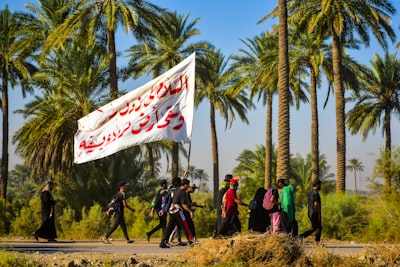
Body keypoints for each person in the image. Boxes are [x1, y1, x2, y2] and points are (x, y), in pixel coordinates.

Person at [160, 178, 194, 248]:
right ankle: (191, 241)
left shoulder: (177, 189)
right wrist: (190, 211)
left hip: (172, 211)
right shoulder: (182, 192)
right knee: (185, 226)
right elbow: (184, 204)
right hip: (178, 211)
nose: (188, 187)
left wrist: (185, 175)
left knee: (169, 227)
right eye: (188, 185)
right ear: (185, 185)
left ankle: (162, 242)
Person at [300, 180, 322, 244]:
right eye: (320, 185)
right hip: (315, 213)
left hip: (310, 213)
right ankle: (317, 241)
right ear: (317, 185)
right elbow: (316, 204)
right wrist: (319, 214)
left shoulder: (310, 193)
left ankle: (301, 236)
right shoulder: (316, 194)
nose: (320, 186)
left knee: (314, 228)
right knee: (319, 227)